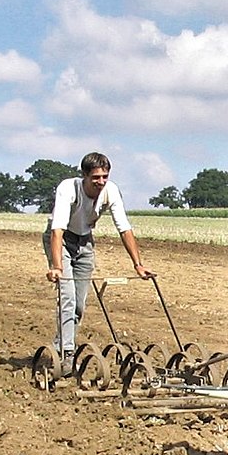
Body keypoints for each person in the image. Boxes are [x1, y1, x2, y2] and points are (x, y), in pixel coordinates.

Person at [43, 152, 153, 376]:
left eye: (105, 176)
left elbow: (124, 228)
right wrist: (56, 266)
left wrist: (138, 265)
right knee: (68, 298)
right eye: (96, 177)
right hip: (62, 241)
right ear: (84, 175)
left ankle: (61, 344)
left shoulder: (110, 191)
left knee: (79, 305)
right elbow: (57, 231)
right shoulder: (68, 189)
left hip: (85, 243)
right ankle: (67, 353)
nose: (101, 182)